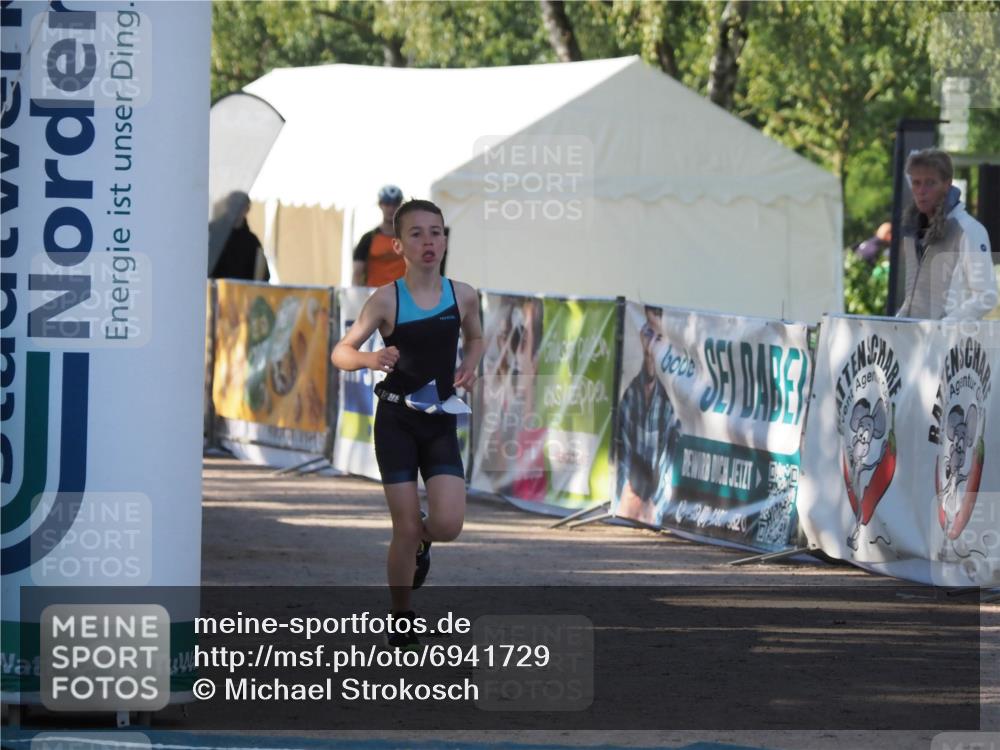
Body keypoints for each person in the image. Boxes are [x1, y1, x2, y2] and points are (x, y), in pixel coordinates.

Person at [332, 199, 484, 650]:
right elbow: (341, 352)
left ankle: (422, 540)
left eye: (436, 232)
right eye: (416, 234)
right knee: (403, 526)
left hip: (439, 420)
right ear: (398, 245)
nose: (428, 241)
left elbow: (476, 336)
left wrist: (471, 363)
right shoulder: (386, 299)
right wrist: (371, 358)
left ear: (445, 240)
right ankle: (401, 617)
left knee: (448, 524)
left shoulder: (463, 294)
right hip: (396, 420)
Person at [897, 149, 996, 320]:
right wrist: (898, 322)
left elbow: (986, 296)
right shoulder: (913, 232)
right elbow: (914, 298)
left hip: (949, 336)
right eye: (916, 183)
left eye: (930, 183)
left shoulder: (969, 230)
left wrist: (943, 327)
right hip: (914, 336)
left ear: (948, 184)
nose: (921, 190)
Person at [616, 306, 681, 526]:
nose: (651, 344)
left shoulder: (669, 405)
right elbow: (621, 455)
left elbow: (668, 467)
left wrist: (655, 507)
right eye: (648, 333)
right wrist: (625, 496)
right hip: (628, 505)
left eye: (658, 338)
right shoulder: (630, 395)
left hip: (651, 510)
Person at [352, 185, 405, 287]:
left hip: (403, 294)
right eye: (387, 204)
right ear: (380, 205)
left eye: (395, 204)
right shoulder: (368, 239)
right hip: (375, 294)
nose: (391, 209)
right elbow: (357, 274)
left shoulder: (409, 238)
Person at [210, 192, 270, 281]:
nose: (236, 209)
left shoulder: (252, 242)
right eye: (233, 204)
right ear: (227, 206)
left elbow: (263, 276)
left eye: (240, 205)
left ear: (247, 209)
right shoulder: (212, 232)